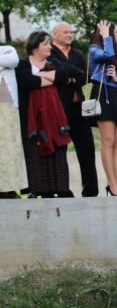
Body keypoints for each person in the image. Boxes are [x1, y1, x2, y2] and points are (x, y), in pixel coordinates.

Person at [15, 31, 73, 198]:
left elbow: (63, 77)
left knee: (58, 151)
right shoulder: (22, 65)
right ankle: (39, 190)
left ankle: (61, 189)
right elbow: (27, 81)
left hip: (55, 118)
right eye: (46, 44)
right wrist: (50, 79)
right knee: (34, 153)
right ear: (35, 47)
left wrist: (40, 76)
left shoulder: (54, 62)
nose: (49, 46)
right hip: (31, 119)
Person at [49, 22, 99, 197]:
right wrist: (71, 76)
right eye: (65, 32)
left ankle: (91, 191)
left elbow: (87, 76)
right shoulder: (49, 52)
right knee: (59, 151)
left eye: (71, 32)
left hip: (80, 108)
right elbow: (56, 74)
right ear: (55, 34)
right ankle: (62, 191)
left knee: (87, 149)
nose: (70, 34)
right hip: (59, 107)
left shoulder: (77, 54)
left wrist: (69, 78)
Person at [89, 21, 117, 196]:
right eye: (116, 32)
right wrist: (106, 35)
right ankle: (112, 184)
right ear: (105, 34)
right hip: (104, 95)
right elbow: (106, 54)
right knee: (108, 141)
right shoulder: (94, 49)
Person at [0, 45, 28, 198]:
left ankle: (10, 189)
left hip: (10, 107)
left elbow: (13, 60)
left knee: (11, 148)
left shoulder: (7, 48)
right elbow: (7, 61)